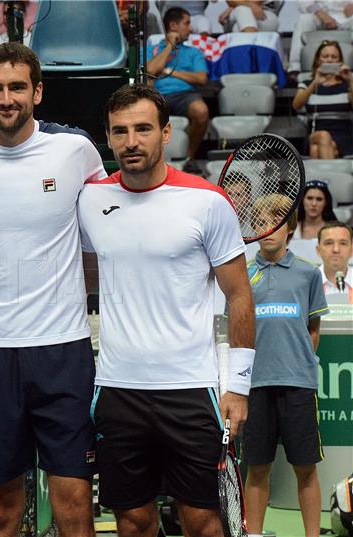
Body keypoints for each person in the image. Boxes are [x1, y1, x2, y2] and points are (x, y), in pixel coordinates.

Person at [0, 42, 106, 537]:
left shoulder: (75, 151)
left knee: (75, 506)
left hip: (62, 350)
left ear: (37, 92)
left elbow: (111, 224)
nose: (6, 97)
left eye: (17, 87)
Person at [78, 84, 255, 537]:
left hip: (191, 390)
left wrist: (237, 387)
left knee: (201, 522)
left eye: (142, 129)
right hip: (118, 391)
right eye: (120, 132)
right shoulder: (90, 200)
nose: (131, 141)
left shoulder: (208, 202)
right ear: (109, 137)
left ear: (166, 132)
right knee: (133, 522)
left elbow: (239, 296)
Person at [243, 195, 329, 537]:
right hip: (255, 384)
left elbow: (313, 331)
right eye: (261, 222)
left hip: (298, 384)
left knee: (305, 468)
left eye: (276, 221)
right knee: (257, 468)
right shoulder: (244, 274)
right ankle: (254, 534)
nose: (268, 229)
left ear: (290, 227)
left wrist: (297, 364)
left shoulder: (308, 273)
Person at [145, 6, 208, 174]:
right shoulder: (152, 48)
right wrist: (169, 46)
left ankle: (189, 158)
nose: (191, 28)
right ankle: (154, 158)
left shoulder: (194, 52)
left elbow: (201, 78)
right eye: (186, 24)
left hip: (186, 95)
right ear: (173, 26)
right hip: (158, 95)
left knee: (201, 111)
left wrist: (167, 71)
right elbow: (150, 70)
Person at [292, 40, 353, 159]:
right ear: (318, 60)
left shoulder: (347, 84)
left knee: (315, 151)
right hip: (316, 133)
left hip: (343, 136)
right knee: (323, 136)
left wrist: (350, 81)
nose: (330, 60)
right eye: (325, 56)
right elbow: (296, 105)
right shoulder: (307, 84)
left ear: (340, 61)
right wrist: (315, 83)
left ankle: (324, 177)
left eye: (334, 57)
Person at [288, 1, 353, 77]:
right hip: (320, 15)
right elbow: (304, 2)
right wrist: (320, 13)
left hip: (348, 17)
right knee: (304, 19)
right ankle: (295, 69)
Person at [316, 221, 353, 301]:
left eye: (343, 243)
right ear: (318, 250)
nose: (336, 249)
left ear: (352, 250)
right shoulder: (307, 282)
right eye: (329, 243)